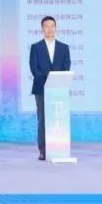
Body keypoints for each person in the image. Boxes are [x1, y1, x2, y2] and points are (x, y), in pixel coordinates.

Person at [29, 15, 71, 160]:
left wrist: (57, 81)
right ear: (42, 29)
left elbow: (66, 66)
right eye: (46, 26)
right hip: (41, 89)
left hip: (59, 89)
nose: (50, 29)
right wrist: (48, 81)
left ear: (56, 28)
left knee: (58, 118)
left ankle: (59, 146)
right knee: (43, 119)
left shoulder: (64, 47)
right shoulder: (36, 47)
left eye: (52, 26)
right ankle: (43, 149)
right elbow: (34, 68)